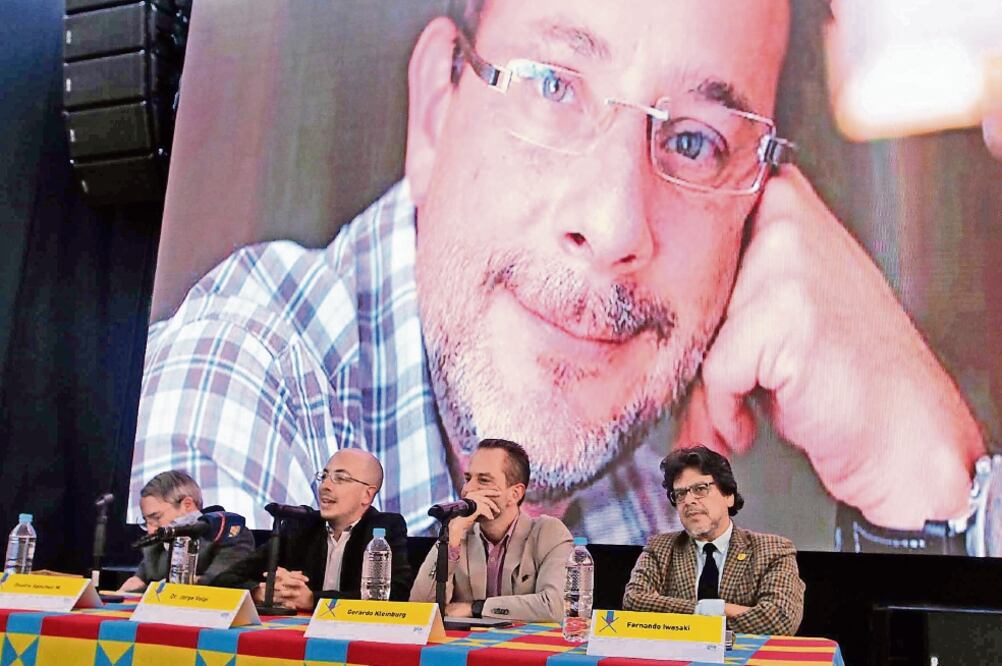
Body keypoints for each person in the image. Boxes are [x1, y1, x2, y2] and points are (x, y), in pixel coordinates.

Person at [131, 0, 987, 547]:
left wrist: (936, 489)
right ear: (437, 110)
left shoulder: (635, 487)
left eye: (693, 140)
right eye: (551, 83)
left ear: (753, 211)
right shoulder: (244, 377)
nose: (614, 223)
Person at [623, 446, 804, 636]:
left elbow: (780, 620)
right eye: (680, 494)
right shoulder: (660, 548)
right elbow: (634, 603)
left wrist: (676, 614)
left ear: (728, 496)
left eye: (700, 489)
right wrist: (711, 610)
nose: (688, 500)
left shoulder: (773, 550)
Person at [213, 449, 412, 609]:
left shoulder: (384, 528)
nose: (325, 486)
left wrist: (312, 600)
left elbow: (396, 595)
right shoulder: (301, 525)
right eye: (324, 476)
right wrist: (259, 592)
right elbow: (224, 580)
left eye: (340, 478)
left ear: (367, 495)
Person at [410, 438, 573, 622]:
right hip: (465, 648)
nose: (468, 490)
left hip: (523, 648)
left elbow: (556, 607)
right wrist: (450, 540)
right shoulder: (458, 533)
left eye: (484, 480)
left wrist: (477, 608)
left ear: (515, 494)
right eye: (468, 479)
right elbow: (419, 609)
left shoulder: (548, 533)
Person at [118, 470, 255, 592]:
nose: (150, 529)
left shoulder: (230, 534)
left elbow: (217, 584)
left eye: (156, 517)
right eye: (146, 521)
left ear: (187, 505)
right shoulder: (155, 545)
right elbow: (137, 581)